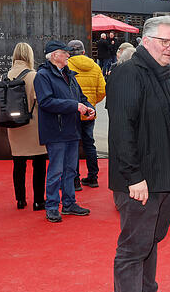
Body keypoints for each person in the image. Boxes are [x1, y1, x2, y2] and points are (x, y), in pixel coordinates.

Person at [107, 15, 170, 292]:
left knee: (150, 242)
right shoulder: (129, 73)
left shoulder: (160, 75)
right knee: (132, 250)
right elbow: (121, 132)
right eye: (165, 42)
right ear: (146, 40)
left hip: (163, 180)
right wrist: (133, 178)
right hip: (140, 182)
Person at [34, 40, 95, 223]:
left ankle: (69, 203)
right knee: (56, 171)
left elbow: (81, 97)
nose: (69, 55)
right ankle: (52, 206)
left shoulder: (70, 75)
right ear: (54, 56)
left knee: (70, 170)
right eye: (65, 53)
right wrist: (74, 106)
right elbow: (45, 102)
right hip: (56, 131)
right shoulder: (43, 76)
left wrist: (89, 107)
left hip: (71, 129)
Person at [6, 42, 48, 211]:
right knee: (39, 165)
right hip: (34, 125)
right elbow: (41, 101)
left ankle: (20, 200)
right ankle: (38, 201)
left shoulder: (6, 76)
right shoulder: (34, 76)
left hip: (14, 125)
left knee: (18, 165)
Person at [66, 39, 106, 190]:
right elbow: (102, 90)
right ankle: (93, 177)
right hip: (89, 112)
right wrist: (92, 103)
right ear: (84, 52)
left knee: (73, 145)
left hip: (72, 111)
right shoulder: (95, 67)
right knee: (89, 144)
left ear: (68, 53)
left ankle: (75, 180)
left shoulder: (66, 66)